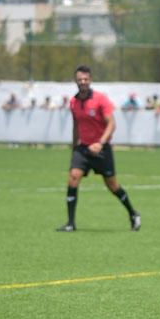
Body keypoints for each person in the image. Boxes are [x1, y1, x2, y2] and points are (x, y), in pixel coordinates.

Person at [57, 65, 140, 233]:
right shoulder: (73, 102)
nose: (83, 82)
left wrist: (100, 143)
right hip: (83, 148)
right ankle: (70, 223)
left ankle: (133, 213)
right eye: (79, 79)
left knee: (112, 186)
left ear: (90, 80)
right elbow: (76, 125)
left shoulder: (101, 99)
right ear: (76, 81)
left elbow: (112, 124)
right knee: (73, 178)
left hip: (101, 149)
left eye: (85, 79)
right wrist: (74, 147)